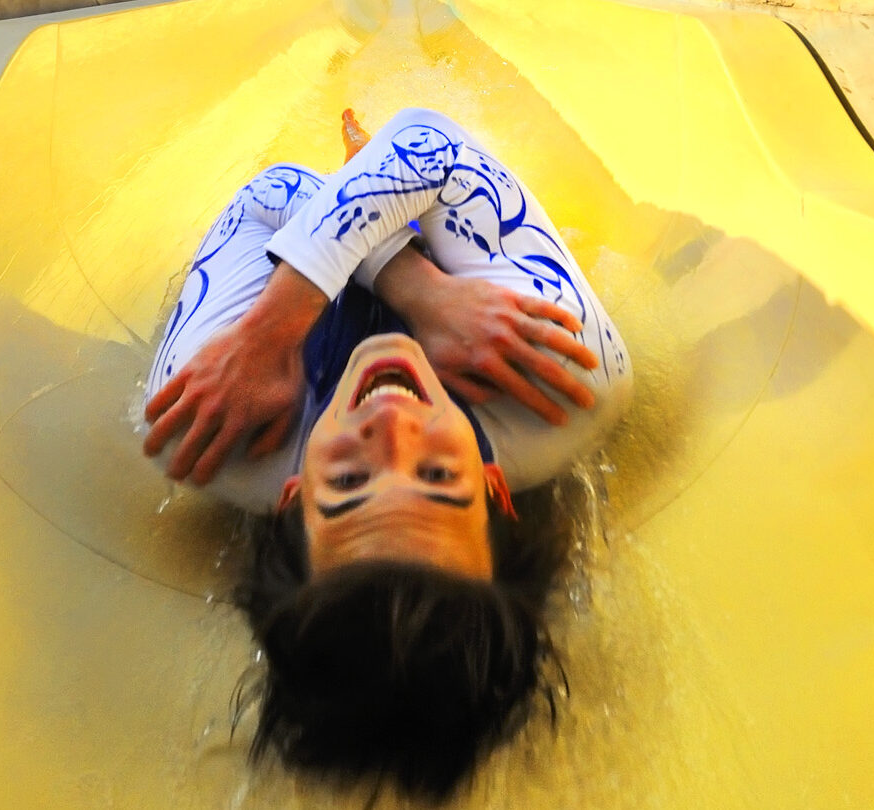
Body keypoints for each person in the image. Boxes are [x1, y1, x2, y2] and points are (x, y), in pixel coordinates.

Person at [141, 107, 632, 800]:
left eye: (346, 481)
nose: (391, 427)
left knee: (379, 184)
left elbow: (276, 188)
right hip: (464, 265)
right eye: (437, 477)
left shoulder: (204, 422)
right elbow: (426, 136)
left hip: (341, 250)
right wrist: (421, 285)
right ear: (495, 489)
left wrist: (274, 323)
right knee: (411, 180)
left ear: (292, 499)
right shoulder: (566, 377)